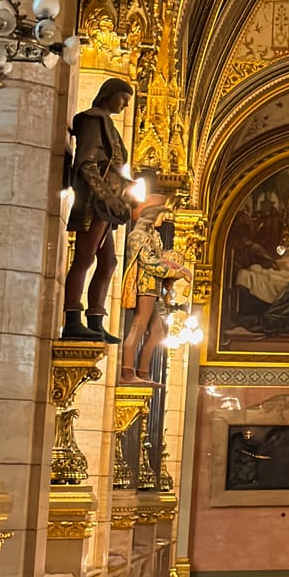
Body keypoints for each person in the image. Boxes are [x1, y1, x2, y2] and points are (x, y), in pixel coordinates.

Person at [62, 79, 136, 343]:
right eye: (124, 97)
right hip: (96, 203)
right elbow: (87, 164)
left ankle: (95, 321)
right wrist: (105, 196)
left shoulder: (109, 123)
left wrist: (126, 188)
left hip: (109, 206)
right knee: (85, 256)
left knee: (109, 262)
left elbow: (113, 166)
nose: (126, 103)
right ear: (109, 94)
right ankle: (72, 319)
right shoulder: (93, 119)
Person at [120, 200, 177, 378]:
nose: (164, 218)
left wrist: (176, 267)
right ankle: (127, 370)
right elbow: (148, 261)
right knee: (138, 326)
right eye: (162, 214)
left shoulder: (154, 236)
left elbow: (159, 258)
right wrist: (173, 270)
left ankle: (143, 371)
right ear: (152, 215)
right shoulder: (138, 235)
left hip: (154, 287)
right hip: (144, 285)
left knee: (158, 332)